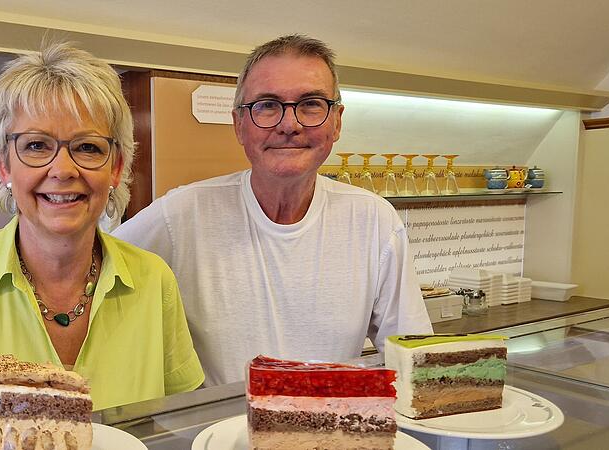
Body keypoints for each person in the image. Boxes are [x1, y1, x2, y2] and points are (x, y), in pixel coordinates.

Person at [0, 42, 204, 449]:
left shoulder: (154, 279)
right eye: (36, 145)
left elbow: (175, 424)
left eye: (88, 147)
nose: (62, 170)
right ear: (5, 165)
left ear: (115, 168)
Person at [114, 34, 432, 386]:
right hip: (216, 437)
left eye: (311, 103)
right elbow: (91, 271)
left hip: (331, 436)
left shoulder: (373, 221)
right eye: (267, 104)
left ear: (337, 121)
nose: (289, 124)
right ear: (239, 124)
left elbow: (412, 359)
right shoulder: (181, 215)